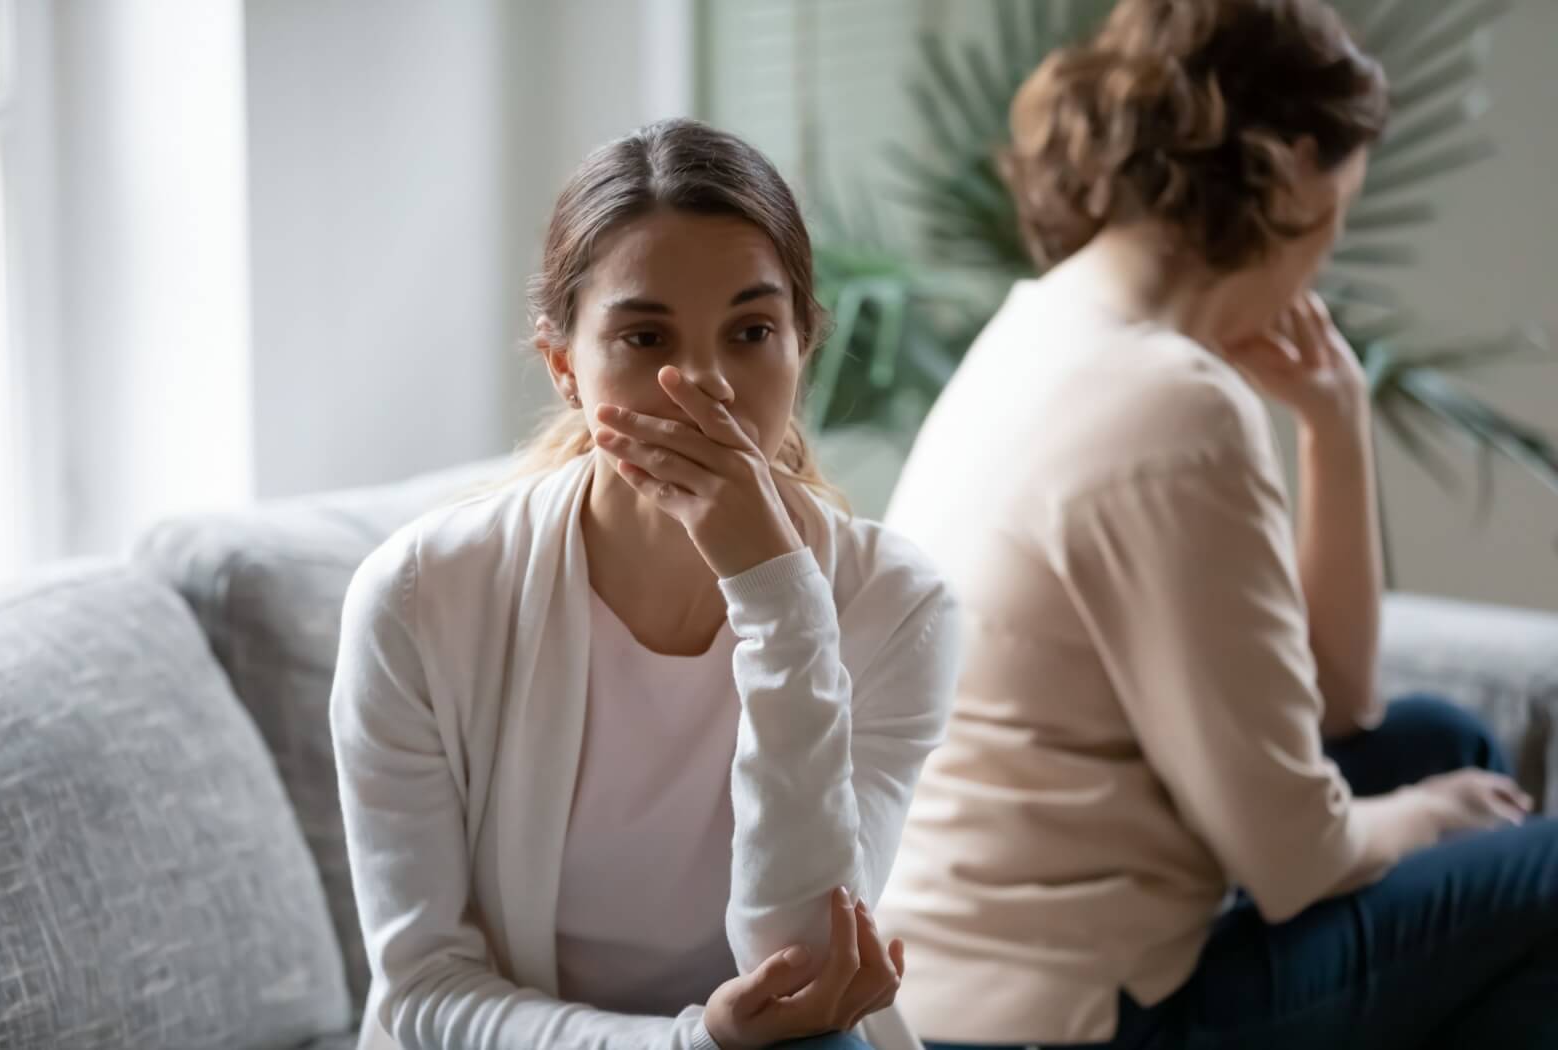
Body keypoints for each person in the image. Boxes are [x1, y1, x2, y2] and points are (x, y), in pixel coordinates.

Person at [877, 1, 1558, 1047]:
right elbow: (1297, 858)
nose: (1321, 261)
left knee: (1441, 744)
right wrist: (1428, 819)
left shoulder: (1043, 323)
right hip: (1064, 1019)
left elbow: (1337, 703)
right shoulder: (1169, 403)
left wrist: (1334, 426)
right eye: (1337, 214)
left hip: (953, 981)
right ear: (1289, 175)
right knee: (1534, 860)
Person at [329, 118, 961, 1050]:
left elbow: (797, 967)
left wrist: (779, 596)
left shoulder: (895, 606)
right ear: (565, 369)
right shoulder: (422, 599)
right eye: (643, 336)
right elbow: (424, 990)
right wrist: (688, 1044)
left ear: (803, 347)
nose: (702, 385)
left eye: (750, 332)